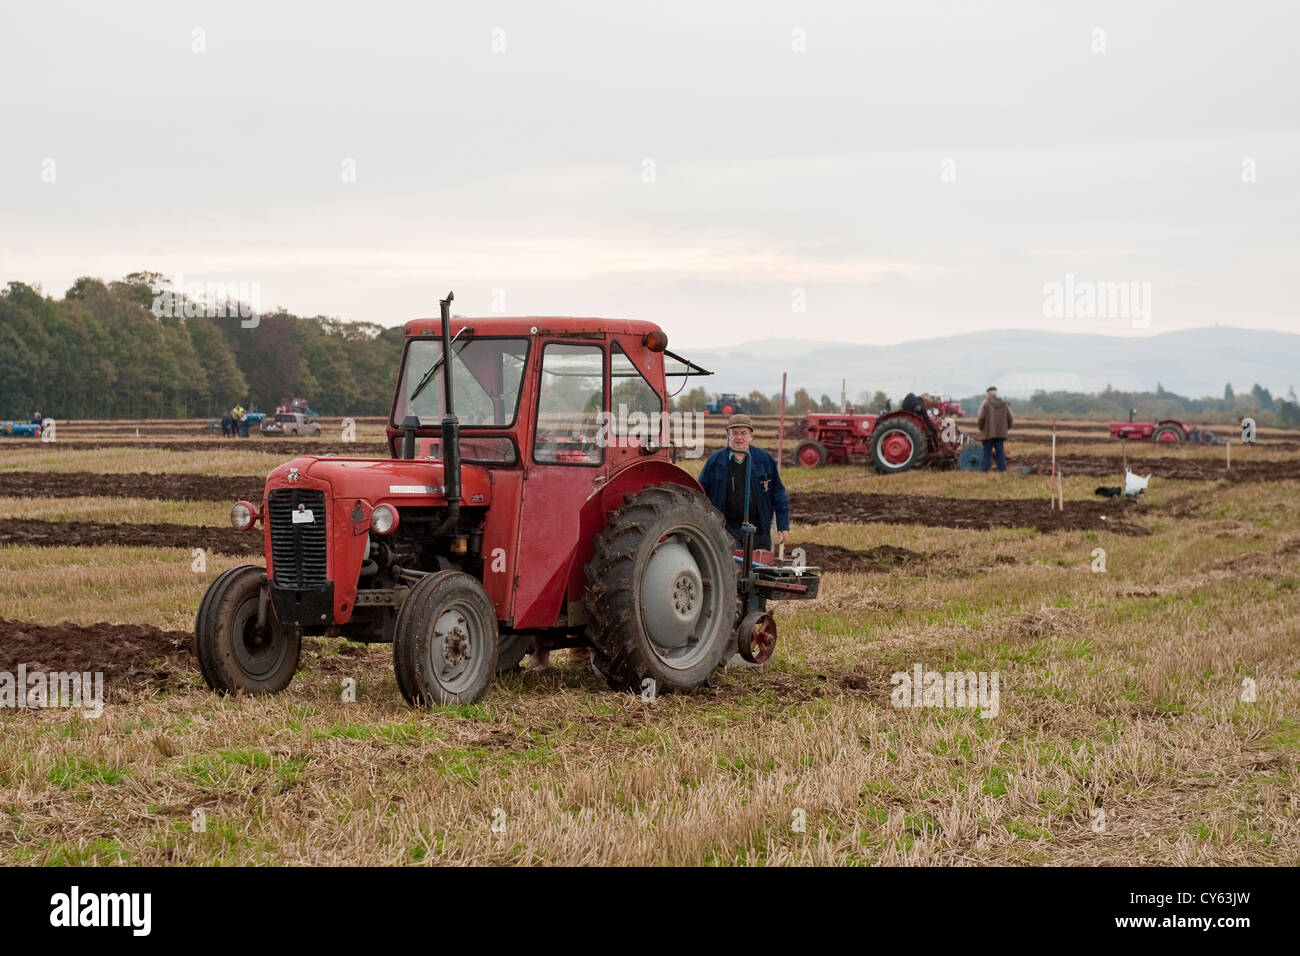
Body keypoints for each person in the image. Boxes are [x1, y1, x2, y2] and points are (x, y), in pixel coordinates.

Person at [698, 414, 790, 551]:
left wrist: (783, 525)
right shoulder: (716, 461)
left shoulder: (764, 460)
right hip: (727, 527)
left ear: (751, 436)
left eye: (743, 433)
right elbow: (701, 493)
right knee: (732, 565)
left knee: (758, 566)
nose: (739, 437)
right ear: (728, 436)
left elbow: (778, 494)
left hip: (758, 528)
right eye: (734, 433)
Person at [977, 386, 1013, 472]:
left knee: (987, 453)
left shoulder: (985, 404)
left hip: (988, 434)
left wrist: (982, 428)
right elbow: (1010, 418)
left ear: (989, 394)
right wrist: (1005, 428)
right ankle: (1002, 470)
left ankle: (985, 470)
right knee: (1000, 453)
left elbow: (980, 418)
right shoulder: (1004, 404)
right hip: (1000, 434)